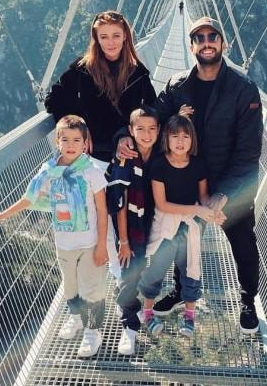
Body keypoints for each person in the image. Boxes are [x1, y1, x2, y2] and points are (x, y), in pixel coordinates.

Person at [118, 16, 263, 334]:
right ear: (191, 46)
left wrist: (223, 194)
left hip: (228, 183)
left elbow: (248, 153)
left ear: (223, 44)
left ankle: (248, 300)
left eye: (213, 36)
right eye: (199, 38)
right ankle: (181, 292)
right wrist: (125, 135)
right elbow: (153, 115)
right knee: (180, 239)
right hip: (185, 177)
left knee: (242, 240)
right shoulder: (177, 84)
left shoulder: (244, 89)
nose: (207, 42)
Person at [44, 10, 157, 283]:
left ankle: (131, 272)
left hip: (125, 157)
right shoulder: (81, 70)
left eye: (116, 36)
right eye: (103, 36)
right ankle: (119, 275)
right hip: (94, 158)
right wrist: (80, 126)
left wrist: (128, 133)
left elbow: (150, 109)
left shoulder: (137, 73)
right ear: (95, 38)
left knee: (128, 216)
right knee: (101, 217)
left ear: (126, 37)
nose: (110, 42)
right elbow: (53, 101)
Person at [0, 115, 109, 358]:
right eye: (65, 139)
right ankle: (76, 318)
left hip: (90, 242)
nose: (71, 145)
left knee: (92, 289)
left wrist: (102, 246)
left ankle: (93, 332)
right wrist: (2, 215)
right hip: (63, 243)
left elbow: (103, 212)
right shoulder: (48, 172)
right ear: (57, 141)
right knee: (70, 286)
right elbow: (30, 198)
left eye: (76, 140)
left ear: (86, 143)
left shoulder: (92, 173)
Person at [137, 115, 226, 339]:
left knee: (190, 270)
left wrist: (214, 212)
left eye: (185, 136)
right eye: (175, 135)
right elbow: (162, 204)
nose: (180, 141)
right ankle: (147, 312)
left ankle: (189, 317)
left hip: (188, 228)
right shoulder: (159, 164)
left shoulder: (198, 165)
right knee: (157, 269)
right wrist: (196, 210)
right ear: (166, 138)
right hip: (166, 226)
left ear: (192, 140)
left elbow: (203, 197)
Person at [105, 107, 159, 355]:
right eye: (140, 129)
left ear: (159, 130)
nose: (146, 135)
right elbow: (120, 203)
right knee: (131, 271)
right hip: (131, 226)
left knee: (145, 271)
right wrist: (123, 241)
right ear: (130, 131)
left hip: (155, 222)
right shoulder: (125, 158)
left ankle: (131, 300)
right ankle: (130, 328)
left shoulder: (161, 154)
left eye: (152, 129)